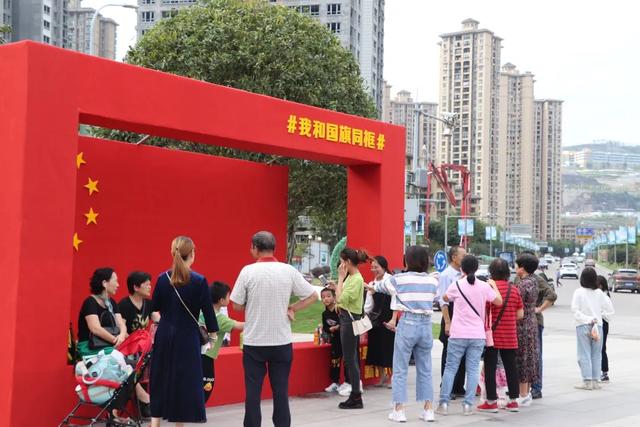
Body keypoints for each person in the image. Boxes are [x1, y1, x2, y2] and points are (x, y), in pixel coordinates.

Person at [230, 231, 318, 427]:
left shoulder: (247, 271)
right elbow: (313, 296)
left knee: (253, 392)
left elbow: (236, 305)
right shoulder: (288, 270)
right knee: (281, 391)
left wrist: (253, 303)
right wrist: (292, 307)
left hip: (254, 342)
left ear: (255, 248)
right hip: (281, 341)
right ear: (274, 248)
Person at [149, 236, 218, 427]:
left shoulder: (162, 279)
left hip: (164, 335)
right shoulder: (199, 281)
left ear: (173, 253)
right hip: (187, 338)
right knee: (184, 382)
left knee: (160, 377)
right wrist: (212, 336)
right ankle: (179, 424)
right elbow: (208, 313)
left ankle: (155, 422)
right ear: (192, 254)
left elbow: (153, 308)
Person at [368, 246, 439, 423]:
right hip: (426, 325)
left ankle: (399, 410)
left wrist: (370, 286)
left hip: (407, 323)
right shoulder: (432, 281)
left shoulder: (398, 279)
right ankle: (428, 409)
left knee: (400, 369)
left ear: (407, 260)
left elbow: (378, 286)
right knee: (425, 369)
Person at [436, 255, 502, 417]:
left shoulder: (456, 284)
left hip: (458, 334)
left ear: (461, 269)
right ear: (477, 269)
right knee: (472, 370)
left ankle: (443, 404)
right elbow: (498, 301)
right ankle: (467, 406)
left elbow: (444, 298)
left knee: (450, 368)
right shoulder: (484, 286)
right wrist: (494, 286)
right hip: (477, 335)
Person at [477, 258, 524, 413]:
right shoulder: (514, 289)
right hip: (510, 335)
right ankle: (513, 401)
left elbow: (484, 311)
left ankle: (491, 402)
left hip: (493, 336)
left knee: (490, 367)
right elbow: (520, 314)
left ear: (491, 271)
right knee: (511, 367)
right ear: (507, 272)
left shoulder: (489, 288)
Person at [331, 247, 369, 409]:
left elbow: (340, 299)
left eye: (341, 261)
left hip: (349, 321)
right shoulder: (353, 277)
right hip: (346, 319)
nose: (340, 265)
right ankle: (355, 394)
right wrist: (338, 284)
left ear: (347, 262)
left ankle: (356, 396)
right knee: (350, 358)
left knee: (350, 359)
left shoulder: (355, 279)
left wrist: (340, 279)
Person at [118, 271, 158, 417]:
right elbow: (121, 330)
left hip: (144, 347)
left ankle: (151, 399)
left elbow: (158, 319)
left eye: (150, 284)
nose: (150, 287)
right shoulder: (124, 305)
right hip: (129, 348)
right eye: (146, 284)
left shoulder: (149, 303)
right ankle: (144, 400)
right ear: (135, 287)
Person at [571, 268, 614, 390]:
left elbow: (575, 310)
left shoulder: (579, 292)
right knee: (596, 354)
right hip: (598, 326)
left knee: (584, 353)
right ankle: (595, 381)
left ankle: (587, 381)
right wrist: (598, 316)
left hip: (583, 325)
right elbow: (610, 310)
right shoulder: (599, 293)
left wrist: (587, 318)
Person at [201, 281, 244, 402]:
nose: (229, 298)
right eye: (228, 296)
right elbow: (240, 325)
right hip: (207, 356)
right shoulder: (219, 318)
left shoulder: (200, 311)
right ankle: (197, 409)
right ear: (221, 300)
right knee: (207, 386)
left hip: (194, 353)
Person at [436, 245, 467, 398]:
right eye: (463, 255)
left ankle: (459, 386)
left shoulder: (464, 274)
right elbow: (443, 301)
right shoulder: (446, 275)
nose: (465, 257)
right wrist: (448, 322)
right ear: (454, 257)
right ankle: (447, 388)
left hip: (463, 317)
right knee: (449, 353)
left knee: (463, 353)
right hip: (451, 314)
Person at [77, 267, 127, 358]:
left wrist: (121, 337)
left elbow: (121, 324)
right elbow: (95, 328)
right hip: (89, 346)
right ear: (104, 283)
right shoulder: (90, 302)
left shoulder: (112, 302)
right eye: (115, 281)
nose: (118, 285)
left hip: (109, 344)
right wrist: (116, 341)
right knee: (118, 356)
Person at [513, 253, 540, 407]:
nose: (515, 267)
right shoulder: (534, 281)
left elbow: (516, 305)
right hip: (532, 322)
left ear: (522, 268)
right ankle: (527, 392)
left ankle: (522, 394)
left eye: (517, 265)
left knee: (522, 358)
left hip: (521, 324)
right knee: (530, 357)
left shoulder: (522, 285)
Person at [364, 255, 395, 388]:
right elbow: (368, 305)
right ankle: (382, 376)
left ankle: (392, 378)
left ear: (384, 267)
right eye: (372, 267)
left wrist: (394, 319)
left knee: (389, 347)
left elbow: (396, 299)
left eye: (376, 267)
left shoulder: (391, 280)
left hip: (389, 318)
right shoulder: (372, 284)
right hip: (376, 320)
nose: (374, 270)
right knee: (376, 347)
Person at [530, 262, 557, 399]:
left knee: (536, 355)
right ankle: (522, 386)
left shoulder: (537, 279)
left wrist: (540, 309)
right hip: (520, 322)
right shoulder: (517, 278)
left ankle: (536, 387)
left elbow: (552, 295)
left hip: (535, 322)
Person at [321, 287, 346, 393]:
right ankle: (335, 382)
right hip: (335, 340)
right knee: (334, 362)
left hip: (344, 339)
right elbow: (325, 327)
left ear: (334, 297)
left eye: (328, 296)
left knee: (347, 362)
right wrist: (330, 329)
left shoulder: (339, 310)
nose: (326, 299)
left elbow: (345, 323)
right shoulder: (325, 314)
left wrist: (338, 327)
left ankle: (348, 383)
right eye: (323, 297)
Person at [596, 275, 612, 382]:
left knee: (601, 347)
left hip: (603, 323)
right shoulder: (598, 295)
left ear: (600, 286)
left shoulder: (605, 297)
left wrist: (599, 314)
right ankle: (597, 371)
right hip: (597, 322)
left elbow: (609, 314)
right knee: (596, 348)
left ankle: (604, 372)